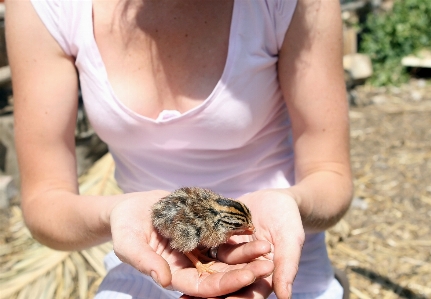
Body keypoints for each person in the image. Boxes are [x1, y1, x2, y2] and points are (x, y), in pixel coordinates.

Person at [6, 0, 353, 298]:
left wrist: (289, 203)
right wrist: (116, 214)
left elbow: (330, 174)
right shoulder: (49, 8)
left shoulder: (291, 6)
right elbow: (44, 202)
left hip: (280, 262)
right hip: (148, 261)